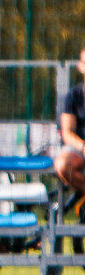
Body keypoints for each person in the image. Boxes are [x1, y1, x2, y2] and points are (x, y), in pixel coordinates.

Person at [53, 47, 85, 220]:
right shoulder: (73, 96)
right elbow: (67, 133)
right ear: (81, 67)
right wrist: (83, 146)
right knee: (62, 165)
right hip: (78, 148)